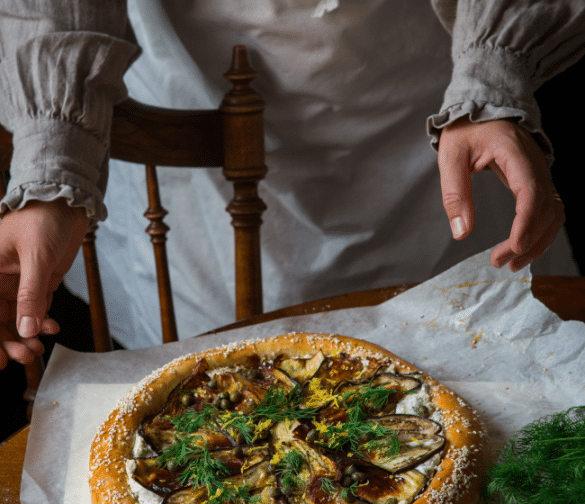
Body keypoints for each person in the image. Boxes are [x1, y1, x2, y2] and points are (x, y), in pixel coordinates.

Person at [0, 0, 583, 369]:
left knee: (491, 373)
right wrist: (50, 173)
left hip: (432, 115)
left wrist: (493, 83)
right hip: (197, 181)